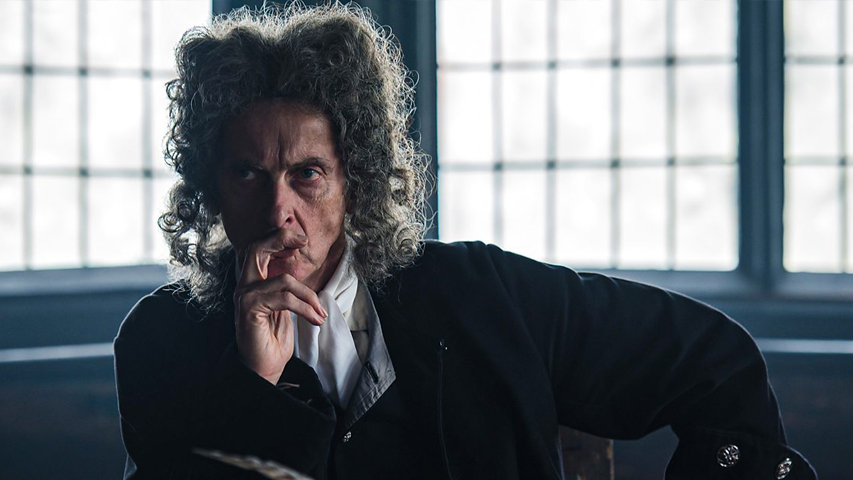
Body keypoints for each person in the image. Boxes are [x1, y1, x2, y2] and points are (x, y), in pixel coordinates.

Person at [113, 3, 817, 479]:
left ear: (354, 179)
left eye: (308, 174)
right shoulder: (159, 340)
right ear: (211, 186)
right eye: (247, 173)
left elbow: (715, 364)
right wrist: (255, 387)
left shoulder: (482, 294)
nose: (278, 208)